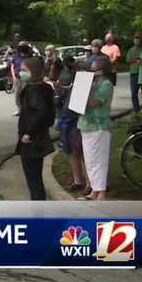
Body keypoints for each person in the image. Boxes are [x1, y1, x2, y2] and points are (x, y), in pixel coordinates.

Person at [15, 57, 55, 201]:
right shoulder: (44, 89)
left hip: (32, 138)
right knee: (35, 177)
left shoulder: (34, 90)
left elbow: (40, 113)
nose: (21, 73)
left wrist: (28, 132)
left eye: (24, 70)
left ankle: (38, 211)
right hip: (39, 136)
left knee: (33, 179)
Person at [78, 56, 114, 201]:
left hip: (99, 126)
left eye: (95, 68)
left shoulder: (106, 85)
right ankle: (95, 190)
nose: (92, 70)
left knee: (99, 160)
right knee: (90, 160)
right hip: (86, 125)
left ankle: (102, 193)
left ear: (102, 70)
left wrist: (85, 87)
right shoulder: (93, 84)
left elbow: (93, 102)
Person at [56, 56, 87, 193]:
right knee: (72, 152)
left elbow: (78, 108)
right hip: (68, 121)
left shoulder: (85, 85)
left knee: (82, 153)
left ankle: (90, 183)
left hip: (76, 122)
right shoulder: (74, 83)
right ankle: (78, 181)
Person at [8, 41, 33, 116]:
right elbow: (12, 66)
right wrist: (13, 76)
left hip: (27, 78)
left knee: (27, 94)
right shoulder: (15, 55)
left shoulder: (30, 56)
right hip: (17, 78)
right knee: (17, 94)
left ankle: (27, 109)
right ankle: (19, 109)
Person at [126, 31, 142, 113]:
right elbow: (128, 60)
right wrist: (136, 60)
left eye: (138, 38)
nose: (136, 40)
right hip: (134, 73)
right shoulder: (131, 50)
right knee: (134, 93)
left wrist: (141, 60)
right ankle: (136, 110)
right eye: (135, 38)